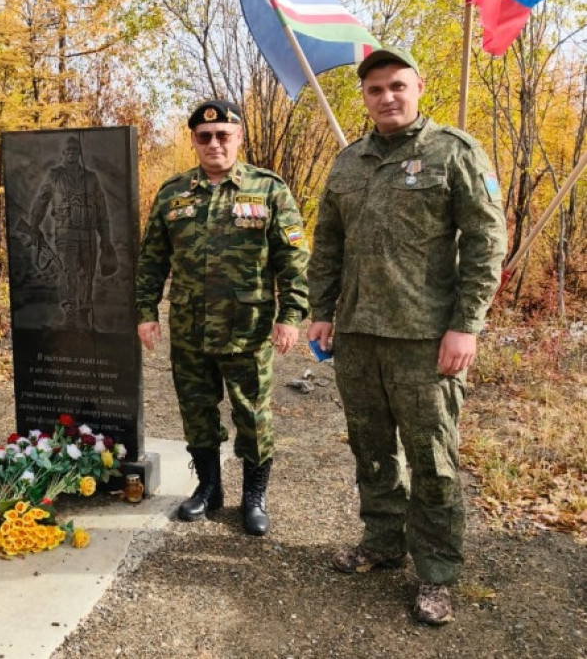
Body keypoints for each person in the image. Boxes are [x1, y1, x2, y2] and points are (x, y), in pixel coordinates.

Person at [306, 47, 507, 624]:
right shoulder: (349, 162)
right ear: (364, 98)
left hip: (426, 340)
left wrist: (466, 325)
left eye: (397, 85)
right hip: (358, 336)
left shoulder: (453, 152)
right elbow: (328, 243)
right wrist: (322, 310)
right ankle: (383, 541)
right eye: (375, 89)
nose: (387, 97)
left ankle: (437, 572)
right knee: (371, 450)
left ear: (418, 87)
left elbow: (486, 241)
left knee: (432, 459)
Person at [135, 100, 310, 536]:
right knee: (197, 410)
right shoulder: (173, 193)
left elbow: (293, 259)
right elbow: (152, 259)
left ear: (238, 138)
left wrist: (291, 315)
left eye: (223, 135)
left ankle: (254, 497)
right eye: (205, 136)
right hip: (190, 328)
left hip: (247, 328)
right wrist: (145, 312)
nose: (214, 143)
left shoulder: (268, 189)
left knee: (253, 414)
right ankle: (209, 489)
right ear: (194, 140)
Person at [28, 136, 117, 329]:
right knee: (67, 272)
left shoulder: (91, 178)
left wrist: (106, 239)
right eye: (68, 150)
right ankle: (69, 311)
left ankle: (84, 312)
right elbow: (41, 201)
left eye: (74, 150)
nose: (71, 153)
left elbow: (102, 210)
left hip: (88, 233)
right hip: (65, 233)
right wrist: (34, 226)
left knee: (87, 273)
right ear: (63, 153)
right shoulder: (55, 175)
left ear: (79, 153)